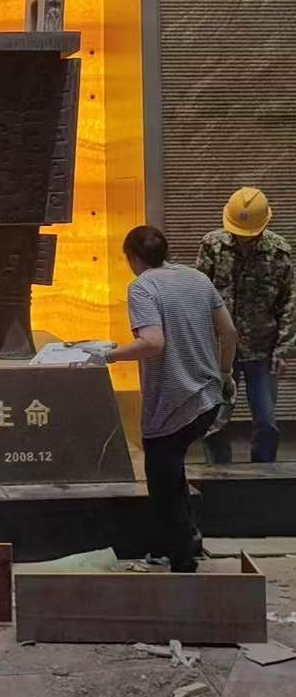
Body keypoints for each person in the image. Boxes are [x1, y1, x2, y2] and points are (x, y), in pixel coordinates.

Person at [107, 225, 237, 572]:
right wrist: (224, 373)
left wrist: (109, 355)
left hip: (173, 403)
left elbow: (153, 343)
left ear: (132, 258)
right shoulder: (197, 279)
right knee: (173, 472)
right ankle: (184, 542)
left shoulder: (143, 287)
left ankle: (181, 559)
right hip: (207, 396)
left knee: (164, 483)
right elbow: (229, 331)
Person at [196, 187, 294, 463]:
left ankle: (265, 472)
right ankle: (218, 471)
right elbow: (199, 294)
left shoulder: (279, 252)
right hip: (219, 348)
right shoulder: (212, 245)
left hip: (262, 349)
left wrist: (283, 350)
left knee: (267, 421)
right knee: (215, 419)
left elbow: (288, 301)